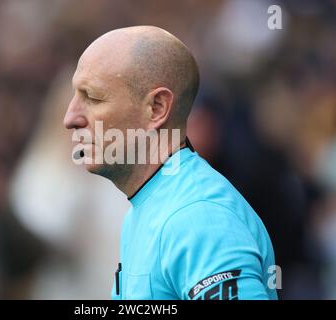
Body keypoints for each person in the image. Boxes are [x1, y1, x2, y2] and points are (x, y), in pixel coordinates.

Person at [63, 25, 277, 300]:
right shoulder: (149, 207)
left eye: (92, 97)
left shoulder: (197, 217)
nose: (70, 118)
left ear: (157, 108)